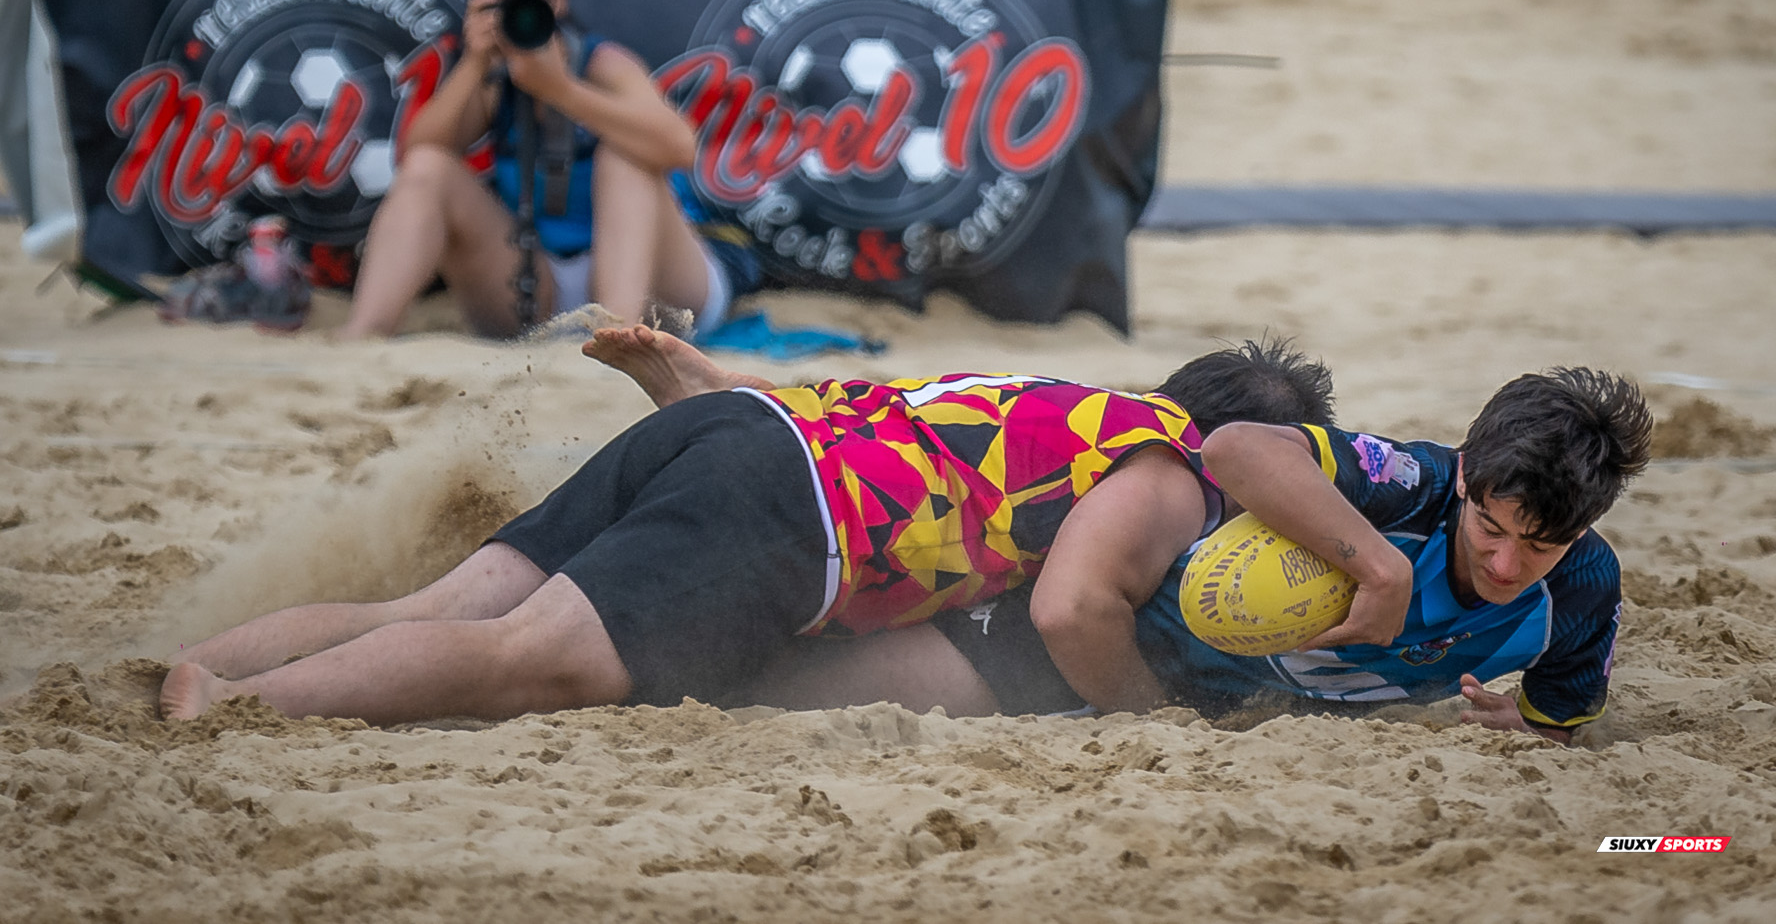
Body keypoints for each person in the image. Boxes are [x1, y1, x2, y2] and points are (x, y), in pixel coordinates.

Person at [590, 331, 1654, 745]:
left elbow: (1557, 730)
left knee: (925, 454)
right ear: (1464, 479)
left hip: (1031, 549)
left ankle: (729, 400)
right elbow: (1235, 454)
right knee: (775, 655)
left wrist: (1517, 727)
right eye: (1492, 528)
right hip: (1048, 611)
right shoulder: (1377, 485)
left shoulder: (1581, 594)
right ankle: (725, 411)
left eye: (1542, 547)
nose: (1509, 562)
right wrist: (1370, 561)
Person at [159, 342, 1259, 724]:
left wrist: (708, 392)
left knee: (437, 612)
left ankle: (192, 666)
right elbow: (1073, 614)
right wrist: (1147, 719)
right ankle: (236, 707)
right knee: (525, 666)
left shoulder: (1062, 405)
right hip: (789, 510)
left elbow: (883, 423)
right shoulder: (1168, 468)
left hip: (740, 430)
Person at [339, 0, 757, 340]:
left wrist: (561, 91)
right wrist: (474, 62)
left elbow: (679, 148)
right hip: (537, 283)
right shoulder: (491, 79)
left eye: (523, 0)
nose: (512, 14)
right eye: (493, 4)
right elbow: (420, 156)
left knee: (624, 157)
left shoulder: (602, 63)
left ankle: (619, 340)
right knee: (430, 168)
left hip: (659, 279)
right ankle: (365, 334)